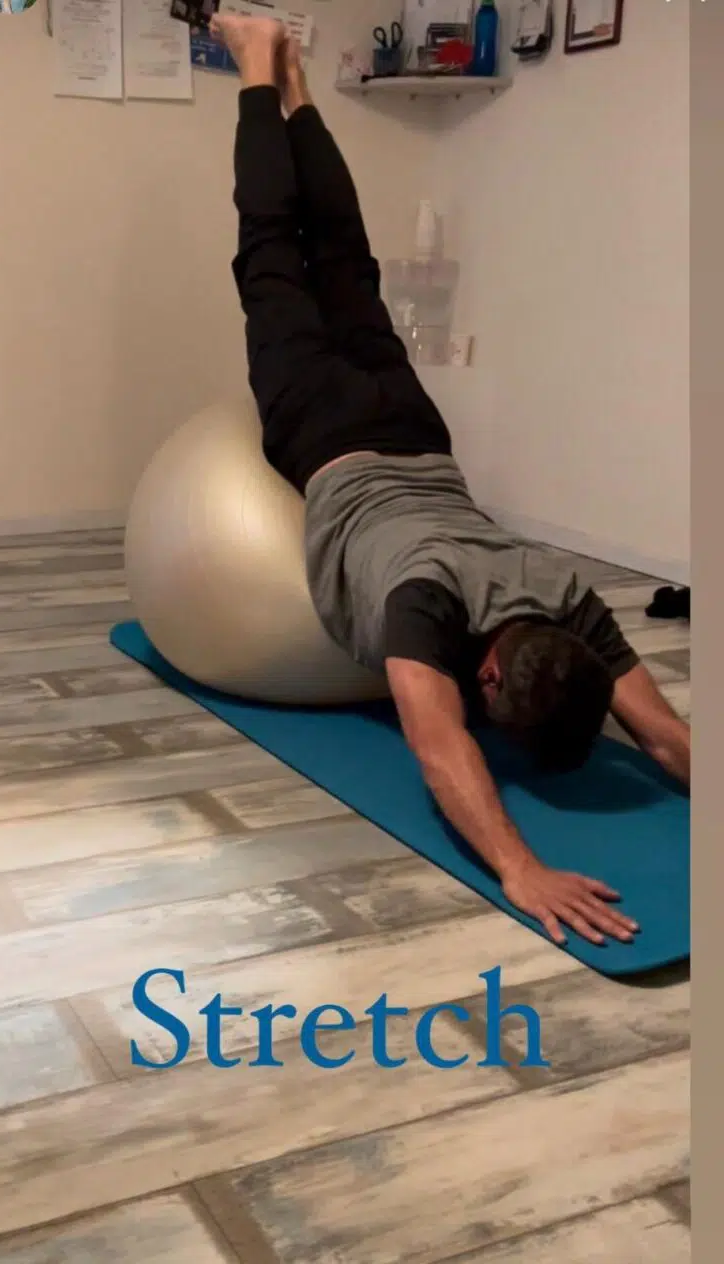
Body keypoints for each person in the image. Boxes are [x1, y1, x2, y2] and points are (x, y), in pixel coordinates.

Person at [212, 14, 690, 950]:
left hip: (414, 426)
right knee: (273, 249)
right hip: (326, 429)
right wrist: (520, 866)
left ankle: (294, 78)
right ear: (491, 671)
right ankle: (258, 63)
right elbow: (441, 750)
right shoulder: (422, 605)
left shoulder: (565, 594)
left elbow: (669, 740)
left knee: (345, 258)